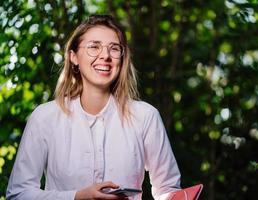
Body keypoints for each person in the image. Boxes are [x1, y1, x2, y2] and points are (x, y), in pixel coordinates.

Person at [6, 14, 181, 200]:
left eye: (114, 49)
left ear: (122, 59)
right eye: (94, 47)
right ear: (74, 57)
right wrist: (77, 196)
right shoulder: (44, 117)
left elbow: (168, 190)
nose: (105, 56)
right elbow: (19, 193)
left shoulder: (146, 116)